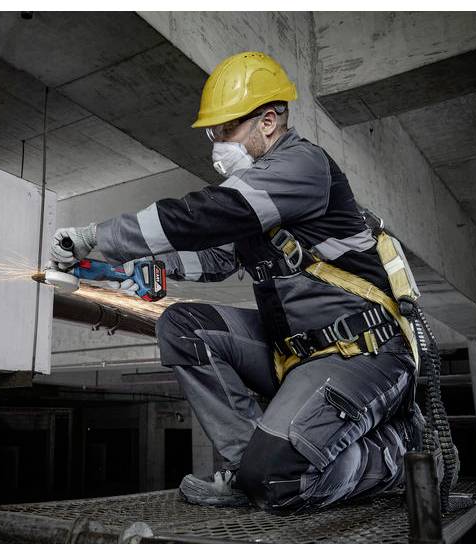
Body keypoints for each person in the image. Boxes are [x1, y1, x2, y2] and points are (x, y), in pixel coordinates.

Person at [49, 52, 427, 512]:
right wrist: (145, 268)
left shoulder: (304, 166)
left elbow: (205, 216)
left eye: (225, 130)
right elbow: (215, 257)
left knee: (280, 482)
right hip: (294, 352)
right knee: (181, 326)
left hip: (364, 352)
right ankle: (245, 470)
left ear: (267, 122)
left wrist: (98, 237)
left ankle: (396, 450)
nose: (216, 144)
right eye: (212, 132)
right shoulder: (260, 195)